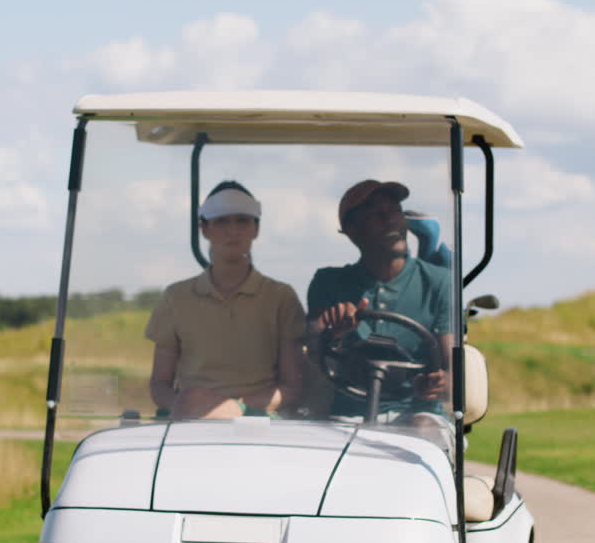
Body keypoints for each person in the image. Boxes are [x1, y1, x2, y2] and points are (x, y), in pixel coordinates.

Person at [145, 181, 306, 419]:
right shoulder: (175, 297)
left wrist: (235, 409)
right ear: (204, 229)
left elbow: (291, 388)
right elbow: (159, 385)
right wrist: (191, 407)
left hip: (261, 424)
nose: (233, 230)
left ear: (256, 229)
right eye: (221, 221)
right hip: (190, 421)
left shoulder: (281, 297)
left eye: (242, 220)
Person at [306, 179, 454, 422]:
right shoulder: (328, 282)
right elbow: (312, 348)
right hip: (348, 415)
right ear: (352, 231)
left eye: (395, 211)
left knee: (421, 429)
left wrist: (440, 384)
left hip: (418, 413)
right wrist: (334, 333)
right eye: (376, 214)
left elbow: (453, 373)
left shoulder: (440, 282)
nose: (391, 220)